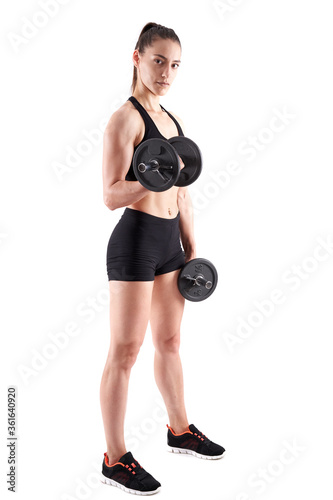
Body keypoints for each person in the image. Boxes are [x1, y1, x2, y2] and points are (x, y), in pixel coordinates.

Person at [100, 22, 225, 496]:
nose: (167, 73)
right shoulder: (124, 120)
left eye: (174, 65)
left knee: (170, 342)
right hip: (134, 243)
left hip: (170, 243)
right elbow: (110, 196)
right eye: (158, 61)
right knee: (125, 352)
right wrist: (149, 179)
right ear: (137, 58)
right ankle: (114, 457)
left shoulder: (173, 122)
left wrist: (191, 244)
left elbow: (183, 191)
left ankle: (179, 429)